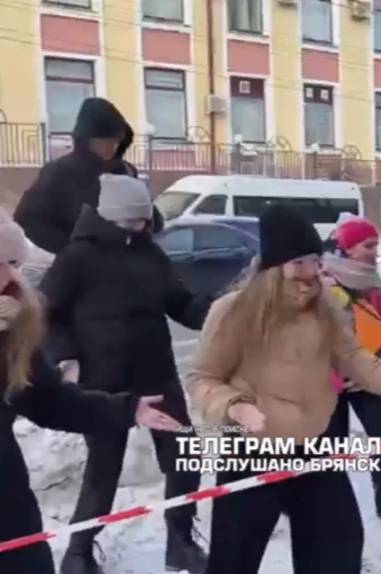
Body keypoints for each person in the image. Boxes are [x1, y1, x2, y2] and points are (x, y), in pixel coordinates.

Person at [189, 205, 381, 574]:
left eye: (314, 260)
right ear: (273, 266)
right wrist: (235, 406)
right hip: (253, 451)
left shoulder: (325, 308)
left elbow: (358, 361)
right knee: (234, 560)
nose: (310, 273)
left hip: (316, 449)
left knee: (337, 550)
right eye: (299, 263)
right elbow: (202, 378)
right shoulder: (233, 311)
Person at [39, 175, 209, 574]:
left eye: (144, 218)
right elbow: (48, 315)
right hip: (102, 383)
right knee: (104, 469)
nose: (142, 225)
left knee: (185, 457)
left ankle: (180, 541)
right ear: (112, 216)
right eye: (133, 219)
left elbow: (181, 304)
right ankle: (78, 553)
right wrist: (67, 357)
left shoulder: (151, 254)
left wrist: (218, 310)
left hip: (157, 374)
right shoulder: (76, 257)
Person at [0, 211, 183, 574]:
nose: (8, 277)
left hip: (7, 506)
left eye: (12, 263)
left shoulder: (10, 328)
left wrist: (126, 409)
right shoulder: (79, 258)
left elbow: (48, 399)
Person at [321, 214, 381, 519]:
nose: (375, 252)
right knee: (332, 446)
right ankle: (329, 509)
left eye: (375, 245)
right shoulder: (323, 283)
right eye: (368, 246)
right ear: (348, 248)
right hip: (330, 382)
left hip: (367, 374)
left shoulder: (372, 283)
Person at [15, 98, 161, 255]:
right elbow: (28, 218)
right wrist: (70, 248)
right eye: (104, 141)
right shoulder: (59, 172)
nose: (111, 147)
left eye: (115, 141)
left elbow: (153, 219)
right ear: (86, 139)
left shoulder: (125, 170)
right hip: (81, 269)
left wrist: (141, 233)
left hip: (125, 265)